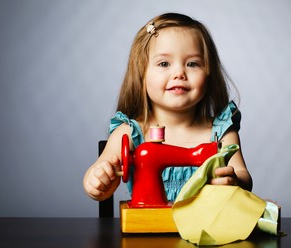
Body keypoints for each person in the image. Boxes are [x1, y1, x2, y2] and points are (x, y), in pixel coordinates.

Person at [83, 13, 252, 202]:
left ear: (209, 74)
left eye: (192, 64)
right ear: (142, 75)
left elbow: (243, 176)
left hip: (206, 229)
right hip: (150, 228)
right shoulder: (130, 133)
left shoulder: (221, 133)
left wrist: (234, 181)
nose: (179, 73)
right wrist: (99, 181)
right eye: (164, 63)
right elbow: (98, 173)